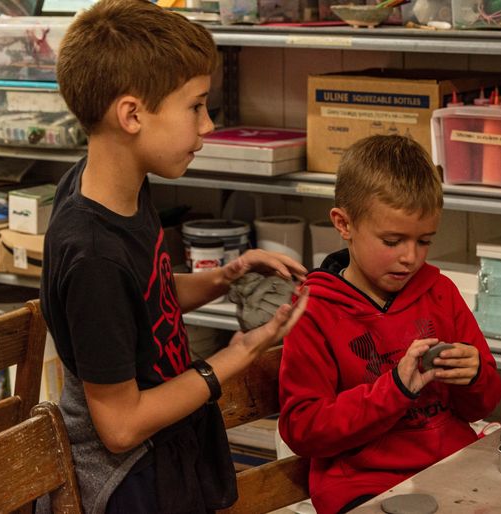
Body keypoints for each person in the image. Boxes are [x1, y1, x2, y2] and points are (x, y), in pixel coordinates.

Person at [39, 1, 309, 513]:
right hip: (127, 481)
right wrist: (241, 353)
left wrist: (224, 279)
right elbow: (120, 427)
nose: (208, 126)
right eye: (196, 107)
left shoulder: (119, 186)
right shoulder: (93, 256)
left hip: (166, 448)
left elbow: (146, 299)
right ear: (133, 115)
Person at [278, 135, 501, 514]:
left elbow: (484, 401)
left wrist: (475, 374)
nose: (410, 258)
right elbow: (303, 430)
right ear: (344, 223)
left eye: (424, 241)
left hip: (451, 469)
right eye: (393, 240)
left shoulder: (439, 291)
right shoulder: (313, 311)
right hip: (365, 486)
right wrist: (395, 389)